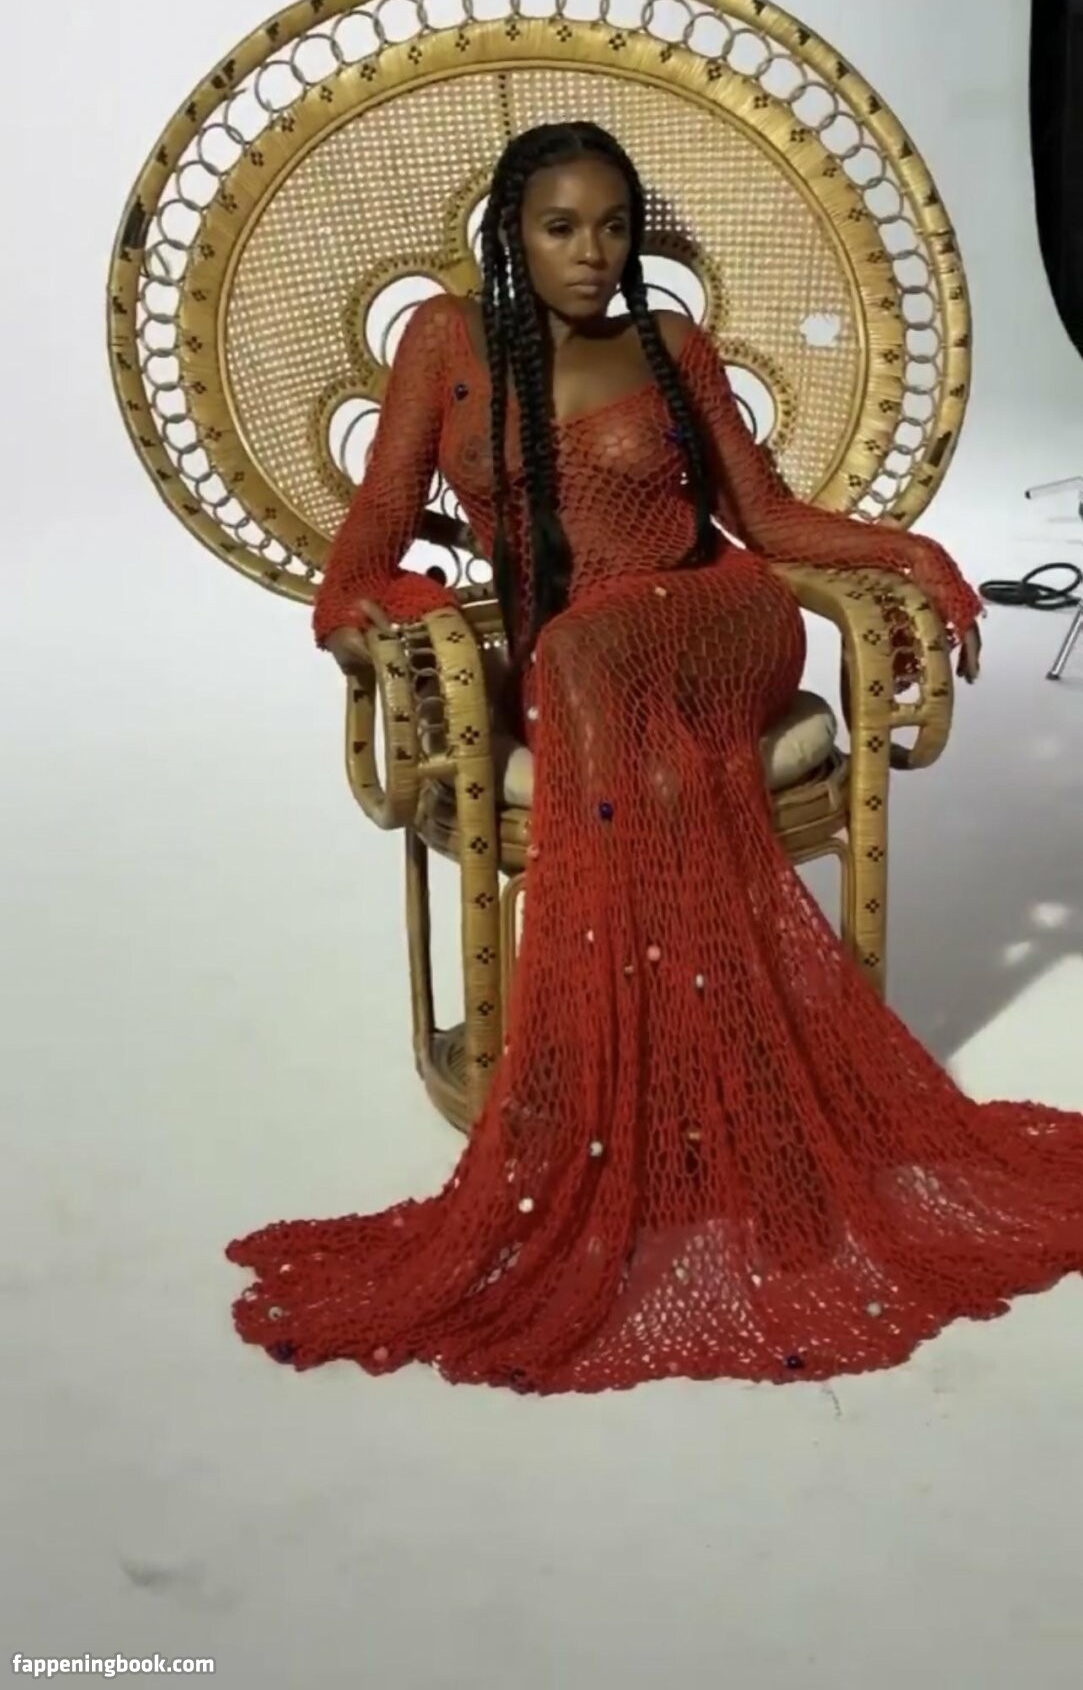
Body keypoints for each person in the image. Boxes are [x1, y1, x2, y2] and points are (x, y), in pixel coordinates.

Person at [226, 122, 1083, 1395]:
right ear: (512, 236)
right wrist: (390, 610)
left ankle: (672, 1088)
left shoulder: (672, 347)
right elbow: (373, 535)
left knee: (585, 664)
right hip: (583, 667)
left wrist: (909, 554)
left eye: (614, 227)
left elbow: (765, 518)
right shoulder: (447, 346)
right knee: (631, 735)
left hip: (721, 621)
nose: (592, 252)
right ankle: (703, 1080)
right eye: (561, 227)